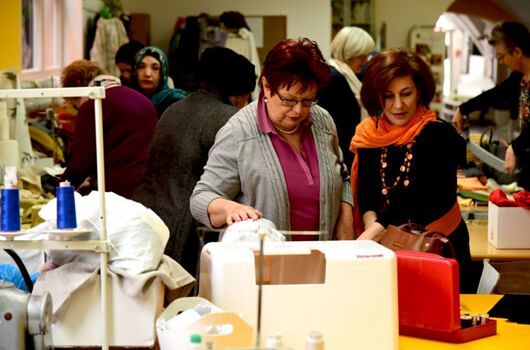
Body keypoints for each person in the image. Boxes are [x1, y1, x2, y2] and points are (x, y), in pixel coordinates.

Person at [190, 38, 354, 241]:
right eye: (289, 99)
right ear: (267, 87)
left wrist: (345, 224)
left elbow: (343, 176)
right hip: (264, 265)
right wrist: (230, 208)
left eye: (307, 100)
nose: (298, 110)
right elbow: (201, 197)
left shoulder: (323, 121)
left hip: (321, 260)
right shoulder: (239, 132)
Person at [350, 49, 473, 291]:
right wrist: (371, 229)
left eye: (406, 94)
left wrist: (368, 239)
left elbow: (412, 199)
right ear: (377, 97)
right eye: (388, 96)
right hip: (388, 251)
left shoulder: (438, 134)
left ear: (420, 92)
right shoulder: (369, 135)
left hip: (439, 252)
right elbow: (367, 193)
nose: (398, 105)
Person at [132, 47, 256, 277]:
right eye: (247, 95)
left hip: (148, 216)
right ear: (238, 93)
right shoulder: (228, 118)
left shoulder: (174, 108)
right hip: (184, 227)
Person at [60, 60, 157, 199]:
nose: (76, 108)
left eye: (74, 103)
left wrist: (60, 190)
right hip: (149, 188)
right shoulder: (142, 99)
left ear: (77, 86)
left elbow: (81, 162)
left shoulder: (92, 106)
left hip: (118, 194)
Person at [453, 22, 530, 190]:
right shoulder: (520, 76)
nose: (501, 61)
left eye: (501, 56)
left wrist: (515, 147)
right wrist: (463, 109)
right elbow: (495, 94)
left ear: (517, 52)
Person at [318, 26, 375, 170]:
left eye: (367, 55)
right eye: (361, 56)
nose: (365, 60)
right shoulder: (333, 78)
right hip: (339, 159)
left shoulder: (346, 76)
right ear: (348, 53)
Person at [131, 46, 187, 117]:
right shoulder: (127, 100)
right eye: (141, 67)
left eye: (155, 68)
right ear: (135, 72)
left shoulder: (174, 101)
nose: (147, 74)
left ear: (162, 74)